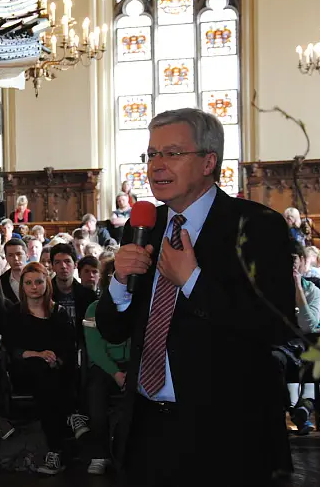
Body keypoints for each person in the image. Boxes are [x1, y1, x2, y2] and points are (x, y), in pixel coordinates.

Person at [95, 108, 295, 486]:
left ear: (208, 162)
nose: (156, 165)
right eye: (152, 154)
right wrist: (120, 282)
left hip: (226, 432)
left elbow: (274, 326)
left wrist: (192, 281)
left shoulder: (257, 226)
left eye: (172, 153)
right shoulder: (144, 229)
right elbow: (113, 329)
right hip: (147, 428)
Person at [3, 262, 76, 474]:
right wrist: (37, 354)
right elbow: (12, 348)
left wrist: (57, 360)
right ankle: (71, 415)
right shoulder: (15, 313)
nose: (34, 286)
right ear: (22, 286)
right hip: (24, 370)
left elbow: (68, 348)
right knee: (41, 369)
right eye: (28, 283)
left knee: (50, 377)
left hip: (54, 372)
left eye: (39, 282)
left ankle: (55, 452)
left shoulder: (59, 313)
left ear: (47, 283)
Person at [83, 297, 129, 476]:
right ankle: (99, 455)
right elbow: (95, 349)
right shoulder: (93, 308)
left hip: (133, 363)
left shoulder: (140, 306)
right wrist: (116, 373)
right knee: (95, 392)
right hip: (104, 364)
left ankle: (130, 453)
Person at [0, 238, 27, 304]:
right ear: (6, 258)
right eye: (10, 255)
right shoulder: (1, 281)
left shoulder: (38, 275)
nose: (15, 258)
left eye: (19, 254)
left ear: (27, 255)